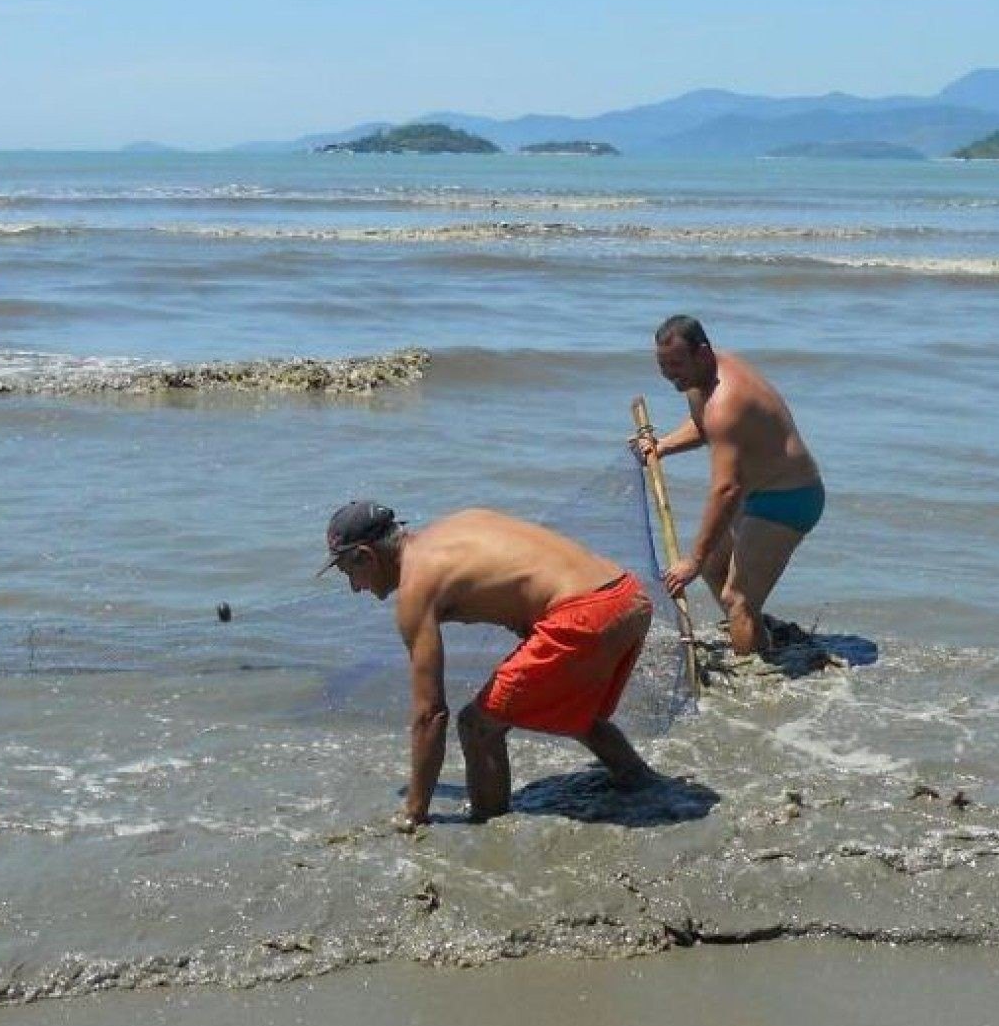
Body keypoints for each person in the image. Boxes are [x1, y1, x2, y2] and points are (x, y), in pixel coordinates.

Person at [321, 501, 658, 830]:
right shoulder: (459, 523)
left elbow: (431, 714)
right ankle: (646, 786)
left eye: (349, 572)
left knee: (477, 727)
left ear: (366, 556)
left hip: (586, 613)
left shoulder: (415, 587)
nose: (354, 587)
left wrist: (415, 812)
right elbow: (524, 573)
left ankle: (488, 830)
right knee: (569, 707)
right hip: (628, 596)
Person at [636, 315, 823, 657]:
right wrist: (662, 446)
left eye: (677, 365)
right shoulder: (700, 378)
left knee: (735, 597)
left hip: (788, 499)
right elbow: (703, 425)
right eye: (663, 367)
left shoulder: (727, 401)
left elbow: (726, 490)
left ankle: (756, 684)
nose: (671, 375)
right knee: (714, 567)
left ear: (702, 353)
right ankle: (757, 639)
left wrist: (691, 558)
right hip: (755, 494)